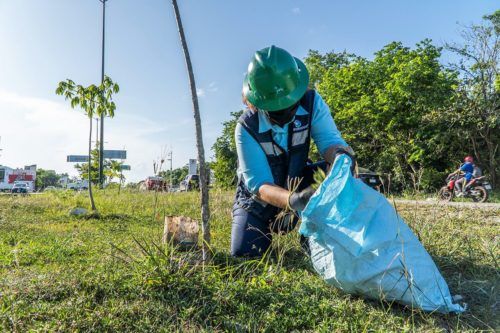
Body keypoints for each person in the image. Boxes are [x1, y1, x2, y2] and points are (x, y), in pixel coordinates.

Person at [231, 45, 354, 257]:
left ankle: (314, 238)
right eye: (273, 106)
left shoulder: (313, 103)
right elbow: (260, 185)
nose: (283, 110)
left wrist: (341, 157)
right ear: (256, 100)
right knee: (245, 254)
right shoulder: (246, 128)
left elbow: (329, 142)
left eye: (289, 102)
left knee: (338, 173)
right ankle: (267, 228)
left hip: (299, 180)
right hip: (258, 200)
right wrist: (294, 200)